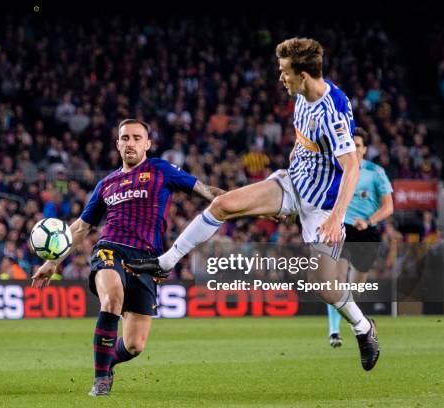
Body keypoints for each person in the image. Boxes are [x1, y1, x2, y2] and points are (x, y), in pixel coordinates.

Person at [126, 38, 380, 371]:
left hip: (323, 204)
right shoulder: (303, 95)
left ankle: (363, 328)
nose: (281, 78)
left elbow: (352, 166)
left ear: (303, 74)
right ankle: (166, 262)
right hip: (293, 184)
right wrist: (289, 170)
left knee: (326, 287)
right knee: (223, 204)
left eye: (285, 72)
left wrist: (335, 219)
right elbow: (305, 140)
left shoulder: (331, 111)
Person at [31, 118, 224, 396]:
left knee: (134, 346)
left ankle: (106, 363)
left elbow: (208, 193)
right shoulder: (106, 183)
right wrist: (52, 262)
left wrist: (241, 204)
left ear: (147, 144)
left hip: (147, 261)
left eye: (136, 138)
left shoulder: (160, 169)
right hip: (110, 249)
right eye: (125, 138)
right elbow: (81, 227)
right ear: (117, 144)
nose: (130, 143)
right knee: (112, 299)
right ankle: (100, 381)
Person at [327, 127, 393, 347]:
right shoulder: (336, 170)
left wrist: (369, 221)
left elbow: (388, 207)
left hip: (365, 232)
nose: (353, 149)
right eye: (350, 145)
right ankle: (334, 333)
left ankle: (359, 322)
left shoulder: (375, 172)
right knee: (334, 281)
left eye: (357, 145)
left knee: (354, 290)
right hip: (342, 229)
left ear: (364, 149)